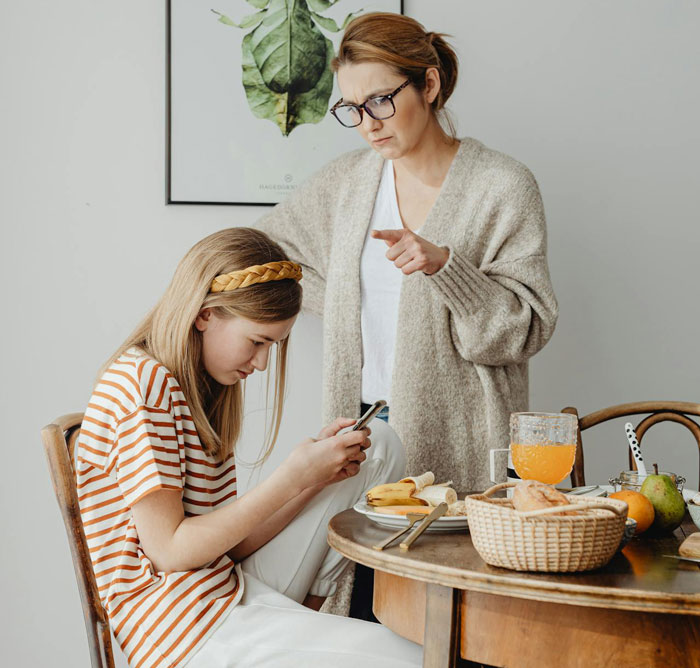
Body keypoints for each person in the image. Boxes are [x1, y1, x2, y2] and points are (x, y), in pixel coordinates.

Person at [75, 227, 422, 668]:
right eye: (257, 342)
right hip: (182, 627)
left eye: (272, 347)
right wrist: (292, 477)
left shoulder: (197, 388)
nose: (261, 363)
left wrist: (312, 480)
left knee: (377, 446)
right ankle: (300, 631)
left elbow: (228, 547)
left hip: (224, 587)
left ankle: (306, 615)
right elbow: (171, 552)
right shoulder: (143, 384)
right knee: (418, 659)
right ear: (205, 315)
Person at [257, 12, 558, 495]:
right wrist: (338, 298)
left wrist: (446, 268)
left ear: (430, 85)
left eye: (380, 100)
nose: (367, 125)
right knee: (360, 569)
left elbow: (521, 332)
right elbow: (262, 250)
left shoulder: (502, 186)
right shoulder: (348, 183)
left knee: (443, 567)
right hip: (358, 430)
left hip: (461, 434)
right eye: (352, 108)